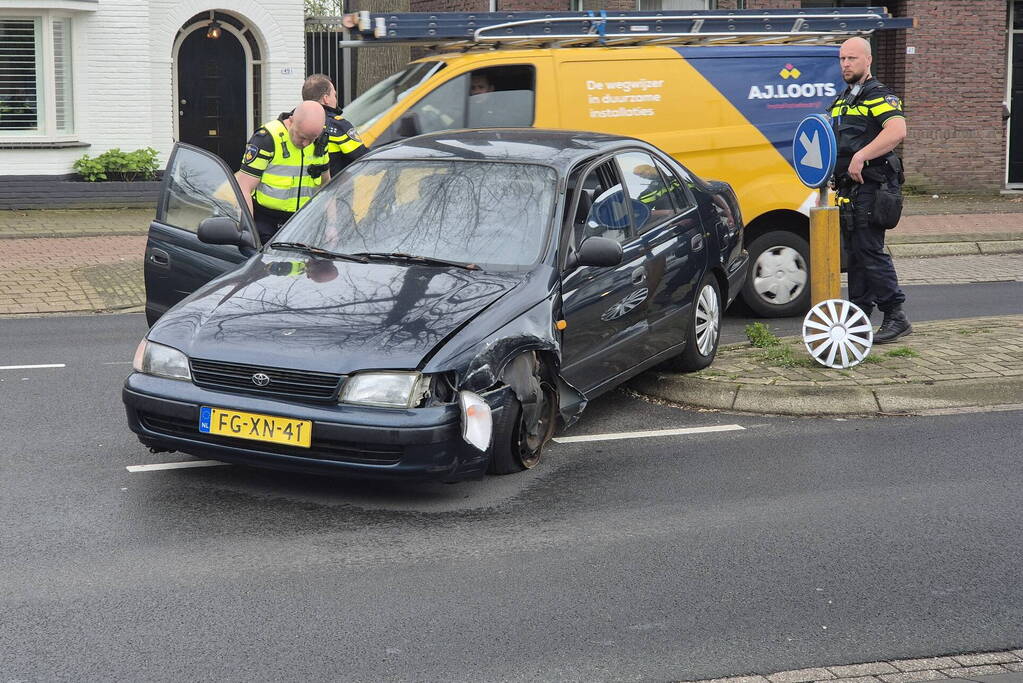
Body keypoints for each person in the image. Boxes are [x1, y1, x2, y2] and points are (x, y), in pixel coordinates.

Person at [829, 36, 911, 343]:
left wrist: (861, 156)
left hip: (873, 187)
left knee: (869, 250)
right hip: (849, 189)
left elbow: (897, 130)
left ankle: (895, 315)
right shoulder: (843, 99)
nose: (846, 64)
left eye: (851, 58)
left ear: (868, 60)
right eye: (842, 59)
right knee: (856, 254)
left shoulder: (878, 95)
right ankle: (858, 318)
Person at [235, 101, 330, 244]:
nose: (306, 144)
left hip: (304, 224)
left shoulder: (321, 141)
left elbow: (327, 186)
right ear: (291, 121)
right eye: (302, 137)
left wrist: (331, 226)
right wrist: (248, 232)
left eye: (312, 139)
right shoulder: (266, 139)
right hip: (268, 225)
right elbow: (244, 188)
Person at [301, 73, 368, 176]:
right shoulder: (338, 126)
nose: (336, 99)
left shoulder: (292, 121)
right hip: (333, 185)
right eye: (334, 95)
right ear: (326, 99)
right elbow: (363, 157)